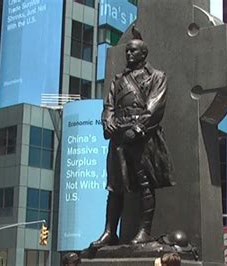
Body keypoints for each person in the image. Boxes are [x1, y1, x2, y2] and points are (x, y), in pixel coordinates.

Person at [90, 28, 174, 247]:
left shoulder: (157, 77)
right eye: (127, 51)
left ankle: (144, 231)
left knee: (145, 183)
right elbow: (108, 105)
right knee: (114, 186)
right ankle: (110, 232)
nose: (128, 55)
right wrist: (107, 121)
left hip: (142, 139)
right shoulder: (118, 80)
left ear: (143, 54)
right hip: (119, 137)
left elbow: (154, 107)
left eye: (133, 51)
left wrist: (138, 128)